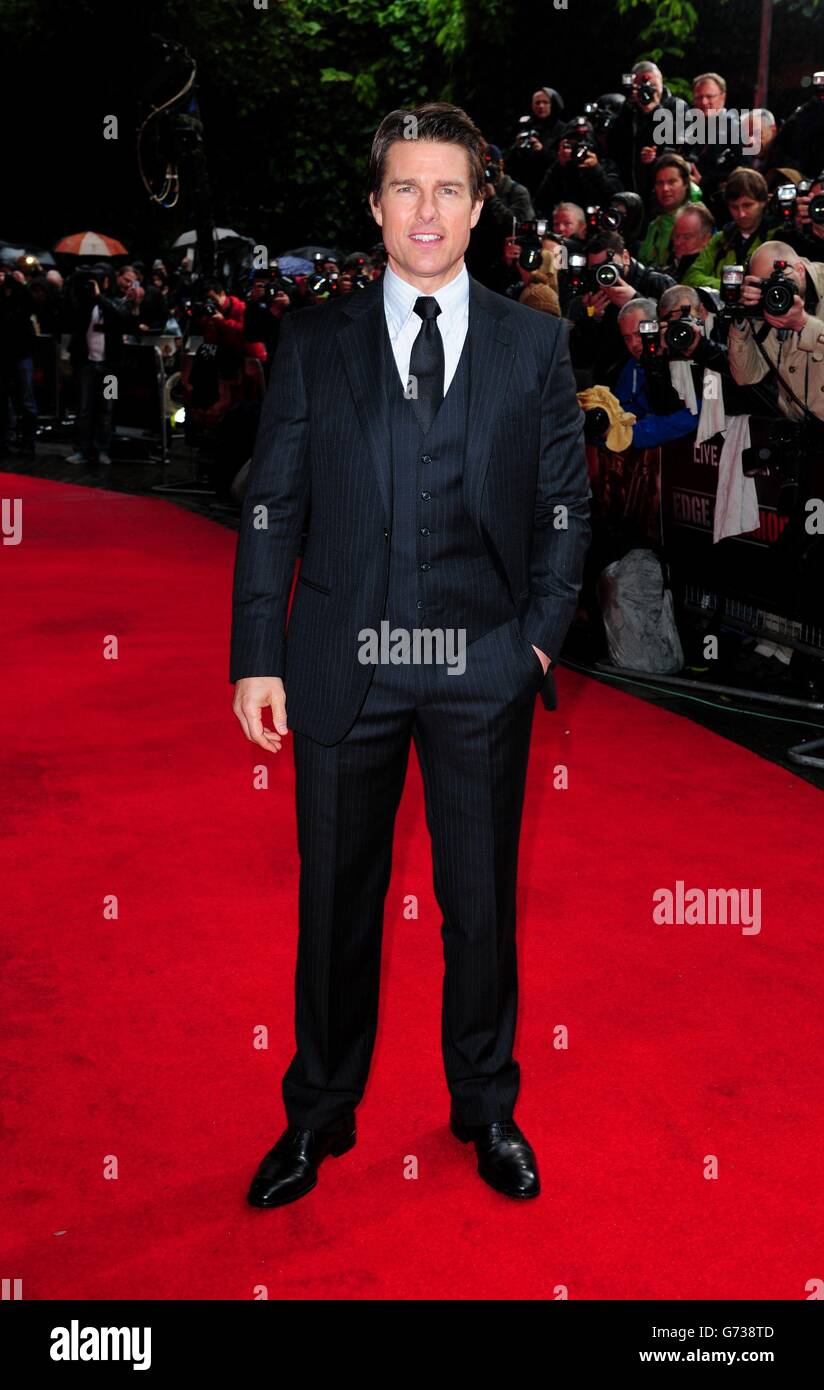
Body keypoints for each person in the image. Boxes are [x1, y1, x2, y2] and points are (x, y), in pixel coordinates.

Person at [230, 101, 591, 1208]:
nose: (424, 210)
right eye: (404, 187)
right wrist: (257, 652)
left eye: (447, 189)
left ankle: (485, 1105)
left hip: (481, 667)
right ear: (375, 205)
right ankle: (317, 1114)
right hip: (345, 662)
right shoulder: (315, 340)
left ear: (479, 208)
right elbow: (269, 508)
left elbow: (565, 509)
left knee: (478, 906)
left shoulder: (533, 343)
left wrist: (532, 644)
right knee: (335, 905)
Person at [727, 240, 824, 423]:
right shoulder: (767, 301)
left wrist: (803, 324)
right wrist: (741, 318)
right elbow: (746, 376)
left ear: (800, 271)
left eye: (779, 278)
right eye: (766, 283)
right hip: (801, 428)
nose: (776, 290)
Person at [681, 167, 780, 289]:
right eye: (734, 207)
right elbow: (690, 277)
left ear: (763, 201)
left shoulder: (778, 238)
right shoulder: (721, 239)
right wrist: (731, 287)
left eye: (747, 205)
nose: (741, 214)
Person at [637, 153, 703, 268]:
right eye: (660, 183)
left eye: (672, 182)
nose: (665, 189)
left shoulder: (699, 219)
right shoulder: (655, 224)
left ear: (686, 184)